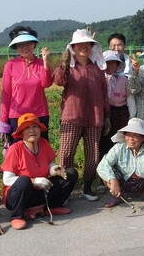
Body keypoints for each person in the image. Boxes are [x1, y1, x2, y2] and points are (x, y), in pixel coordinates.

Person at [52, 28, 110, 201]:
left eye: (87, 44)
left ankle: (87, 187)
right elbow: (58, 81)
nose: (84, 47)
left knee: (93, 154)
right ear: (73, 47)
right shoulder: (68, 67)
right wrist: (63, 64)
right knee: (66, 154)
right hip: (72, 116)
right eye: (79, 45)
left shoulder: (97, 68)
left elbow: (104, 92)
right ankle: (64, 188)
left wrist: (106, 116)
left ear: (92, 47)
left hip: (95, 116)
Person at [0, 113, 78, 230]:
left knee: (71, 173)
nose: (32, 130)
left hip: (41, 191)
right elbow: (7, 179)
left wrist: (54, 170)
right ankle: (16, 216)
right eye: (27, 128)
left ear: (40, 129)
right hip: (20, 196)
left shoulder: (44, 143)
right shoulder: (15, 149)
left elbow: (49, 165)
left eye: (35, 126)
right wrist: (34, 181)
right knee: (24, 180)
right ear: (21, 132)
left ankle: (52, 206)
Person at [97, 118, 144, 210]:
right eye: (128, 135)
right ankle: (118, 196)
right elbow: (103, 165)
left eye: (135, 135)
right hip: (122, 182)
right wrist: (113, 180)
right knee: (106, 174)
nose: (131, 139)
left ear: (143, 137)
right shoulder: (119, 147)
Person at [0, 26, 53, 156]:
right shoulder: (10, 65)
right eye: (20, 45)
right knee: (18, 149)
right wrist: (3, 120)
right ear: (16, 48)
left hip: (39, 114)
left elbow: (46, 83)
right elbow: (5, 94)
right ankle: (19, 175)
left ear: (34, 44)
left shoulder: (41, 63)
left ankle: (41, 173)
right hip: (16, 116)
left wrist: (45, 62)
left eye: (28, 43)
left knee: (40, 148)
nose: (24, 47)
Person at [100, 50, 133, 158]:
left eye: (113, 63)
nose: (110, 65)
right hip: (103, 112)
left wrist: (132, 118)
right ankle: (103, 164)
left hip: (119, 113)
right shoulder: (99, 79)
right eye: (107, 63)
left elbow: (129, 99)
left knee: (118, 139)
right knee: (103, 139)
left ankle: (119, 163)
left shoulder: (123, 79)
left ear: (118, 65)